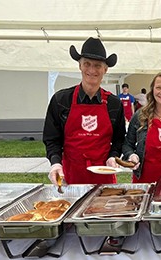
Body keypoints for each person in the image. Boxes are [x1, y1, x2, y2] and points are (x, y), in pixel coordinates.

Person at [43, 37, 126, 185]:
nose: (92, 70)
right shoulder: (61, 100)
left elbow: (119, 140)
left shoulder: (114, 104)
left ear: (105, 69)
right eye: (87, 64)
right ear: (80, 66)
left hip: (104, 176)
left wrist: (113, 156)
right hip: (71, 175)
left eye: (97, 65)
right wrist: (55, 163)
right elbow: (52, 139)